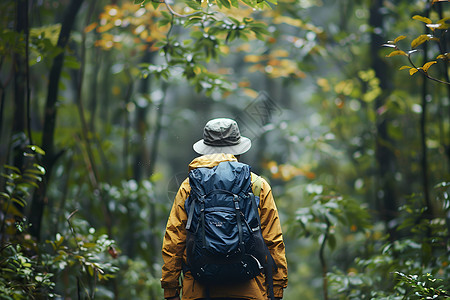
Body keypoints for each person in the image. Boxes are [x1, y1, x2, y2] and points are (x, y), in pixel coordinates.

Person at [161, 118, 288, 300]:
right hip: (249, 288)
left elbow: (174, 241)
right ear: (238, 150)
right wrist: (276, 289)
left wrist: (170, 289)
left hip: (200, 289)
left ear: (205, 149)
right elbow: (273, 241)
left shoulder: (189, 186)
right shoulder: (257, 185)